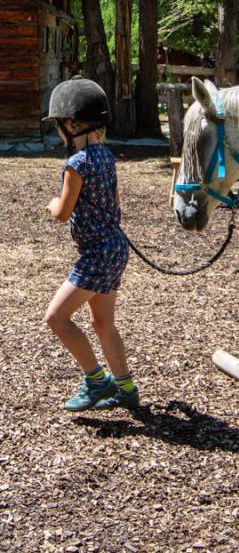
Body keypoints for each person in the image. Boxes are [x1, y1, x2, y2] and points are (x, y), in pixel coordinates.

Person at [44, 76, 139, 412]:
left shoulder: (76, 164)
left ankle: (96, 380)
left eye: (58, 125)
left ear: (72, 124)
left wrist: (53, 203)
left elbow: (62, 212)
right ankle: (126, 387)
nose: (58, 132)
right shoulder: (107, 156)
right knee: (102, 323)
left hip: (97, 253)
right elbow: (115, 200)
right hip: (114, 248)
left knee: (56, 318)